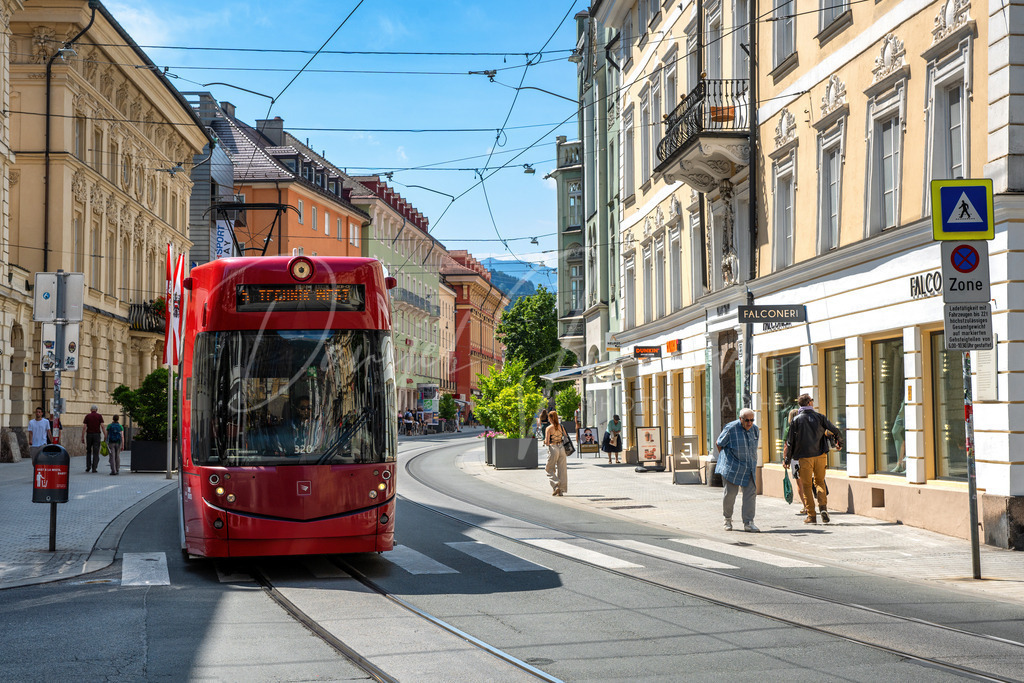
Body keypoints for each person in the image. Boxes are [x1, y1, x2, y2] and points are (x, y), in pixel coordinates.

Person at [784, 394, 843, 524]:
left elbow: (790, 442)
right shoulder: (820, 417)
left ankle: (811, 515)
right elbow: (835, 430)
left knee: (807, 485)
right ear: (809, 403)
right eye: (812, 400)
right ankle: (823, 508)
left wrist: (787, 460)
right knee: (820, 482)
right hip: (821, 455)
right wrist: (840, 442)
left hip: (804, 457)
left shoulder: (796, 420)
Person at [715, 408, 760, 532]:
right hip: (732, 467)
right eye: (747, 420)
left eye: (752, 420)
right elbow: (719, 443)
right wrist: (727, 460)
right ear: (740, 419)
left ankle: (748, 523)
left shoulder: (755, 430)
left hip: (749, 466)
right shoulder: (731, 428)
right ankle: (727, 519)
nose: (749, 423)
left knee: (750, 494)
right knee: (730, 494)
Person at [544, 411, 569, 496]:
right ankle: (561, 490)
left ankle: (556, 485)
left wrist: (544, 441)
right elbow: (566, 437)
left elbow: (547, 442)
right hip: (562, 448)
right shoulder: (561, 427)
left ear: (550, 418)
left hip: (553, 448)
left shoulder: (549, 428)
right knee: (562, 469)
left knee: (549, 469)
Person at [81, 405, 105, 473]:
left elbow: (84, 427)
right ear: (96, 410)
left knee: (88, 451)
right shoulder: (99, 416)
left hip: (89, 435)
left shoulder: (87, 416)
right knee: (96, 452)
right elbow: (102, 426)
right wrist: (105, 435)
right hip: (97, 435)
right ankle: (94, 468)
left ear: (90, 410)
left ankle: (88, 467)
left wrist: (82, 437)